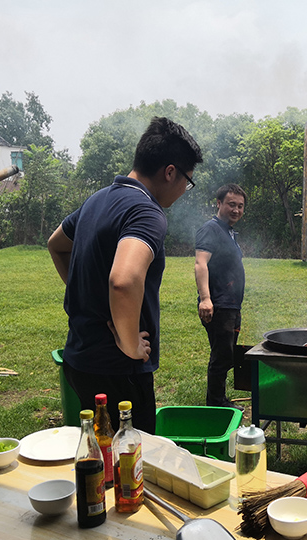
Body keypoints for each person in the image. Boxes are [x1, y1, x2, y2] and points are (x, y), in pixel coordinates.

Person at [48, 117, 202, 433]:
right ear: (170, 172)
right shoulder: (146, 212)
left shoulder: (97, 200)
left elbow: (56, 245)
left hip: (79, 359)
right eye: (188, 180)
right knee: (129, 468)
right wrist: (131, 344)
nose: (185, 189)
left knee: (100, 458)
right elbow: (123, 281)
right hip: (118, 371)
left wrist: (90, 295)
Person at [194, 184, 247, 409]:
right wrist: (206, 299)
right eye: (231, 204)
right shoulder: (211, 229)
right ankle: (216, 403)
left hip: (231, 305)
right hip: (219, 304)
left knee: (226, 354)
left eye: (240, 206)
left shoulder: (228, 231)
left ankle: (219, 399)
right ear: (219, 204)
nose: (236, 210)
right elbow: (200, 264)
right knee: (222, 355)